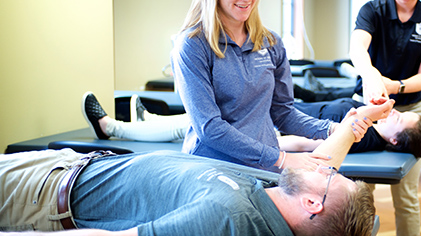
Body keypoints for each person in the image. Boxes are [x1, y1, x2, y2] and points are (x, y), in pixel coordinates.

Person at [0, 100, 394, 235]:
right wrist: (359, 122)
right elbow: (325, 162)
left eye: (329, 177)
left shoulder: (229, 221)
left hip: (46, 197)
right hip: (74, 167)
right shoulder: (279, 198)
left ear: (313, 205)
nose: (324, 167)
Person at [171, 0, 339, 173]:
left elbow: (283, 112)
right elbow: (209, 127)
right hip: (212, 169)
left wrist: (331, 129)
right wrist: (280, 158)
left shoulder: (270, 42)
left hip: (264, 166)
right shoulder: (193, 45)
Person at [348, 0, 421, 236]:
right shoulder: (373, 11)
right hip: (368, 107)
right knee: (359, 194)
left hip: (412, 111)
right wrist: (372, 76)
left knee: (406, 197)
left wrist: (396, 86)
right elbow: (357, 49)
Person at [81, 92, 421, 159]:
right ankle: (149, 121)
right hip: (274, 115)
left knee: (193, 125)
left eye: (399, 120)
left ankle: (112, 128)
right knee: (190, 123)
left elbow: (305, 144)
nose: (394, 113)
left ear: (395, 141)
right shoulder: (370, 123)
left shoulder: (363, 138)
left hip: (271, 130)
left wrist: (270, 146)